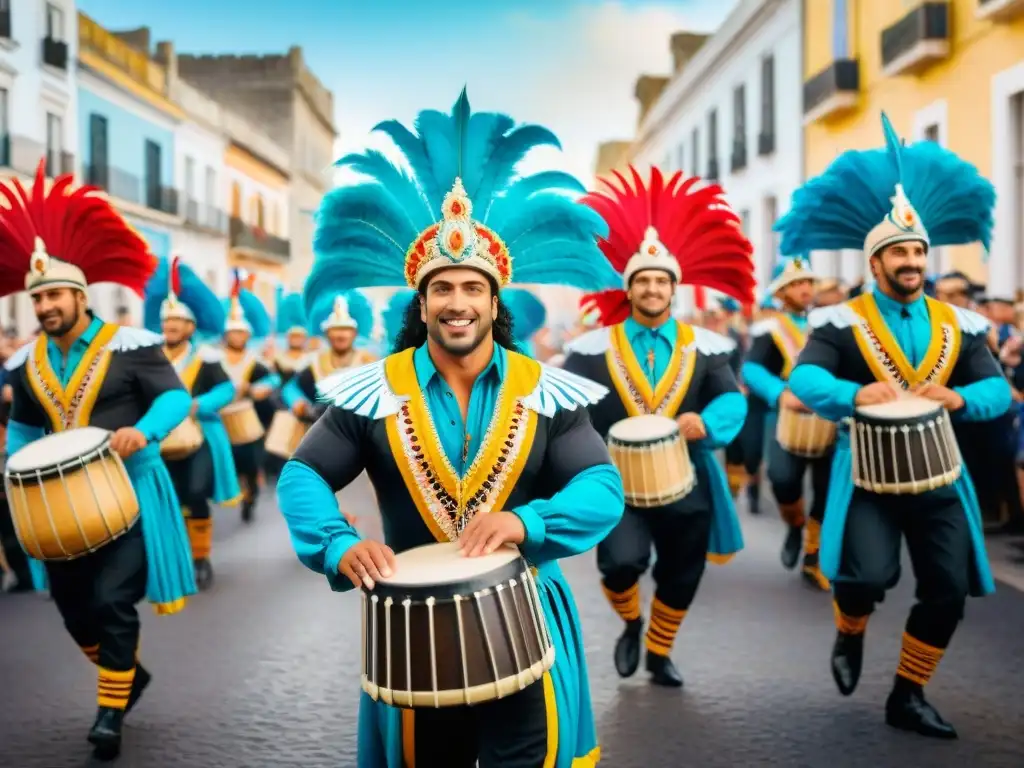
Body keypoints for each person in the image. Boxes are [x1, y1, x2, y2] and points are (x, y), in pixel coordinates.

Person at [277, 88, 625, 767]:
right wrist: (337, 545)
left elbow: (602, 487)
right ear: (423, 301)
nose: (458, 302)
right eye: (443, 288)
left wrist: (529, 522)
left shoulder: (547, 393)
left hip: (526, 614)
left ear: (496, 304)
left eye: (473, 288)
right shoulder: (372, 392)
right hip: (412, 632)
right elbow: (303, 474)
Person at [779, 113, 1009, 738]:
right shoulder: (837, 322)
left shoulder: (960, 324)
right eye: (897, 253)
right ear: (874, 263)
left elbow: (996, 387)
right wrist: (855, 392)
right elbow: (803, 380)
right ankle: (849, 630)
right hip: (869, 480)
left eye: (917, 252)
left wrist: (961, 400)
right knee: (864, 579)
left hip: (940, 479)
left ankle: (907, 694)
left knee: (947, 590)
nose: (910, 262)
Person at [0, 163, 195, 758]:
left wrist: (144, 430)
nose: (46, 305)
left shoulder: (131, 347)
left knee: (112, 600)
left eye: (55, 294)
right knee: (72, 609)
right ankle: (128, 677)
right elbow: (25, 426)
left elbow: (175, 395)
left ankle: (109, 712)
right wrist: (12, 469)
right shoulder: (24, 364)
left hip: (128, 493)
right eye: (38, 298)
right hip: (58, 507)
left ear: (80, 297)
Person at [563, 166, 755, 688]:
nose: (651, 288)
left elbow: (730, 402)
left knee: (683, 571)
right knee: (620, 565)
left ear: (674, 289)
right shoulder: (589, 350)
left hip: (686, 478)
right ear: (629, 289)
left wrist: (706, 423)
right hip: (616, 482)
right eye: (642, 280)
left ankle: (659, 649)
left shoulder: (708, 348)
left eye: (660, 281)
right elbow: (564, 410)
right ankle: (630, 623)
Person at [144, 257, 242, 590]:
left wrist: (199, 404)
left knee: (196, 493)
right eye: (166, 323)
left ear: (189, 328)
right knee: (168, 498)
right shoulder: (150, 358)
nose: (170, 328)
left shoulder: (206, 358)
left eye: (176, 324)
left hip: (198, 438)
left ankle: (200, 557)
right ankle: (177, 556)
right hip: (159, 440)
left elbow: (226, 388)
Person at [742, 255, 833, 591]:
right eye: (796, 284)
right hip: (787, 416)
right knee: (782, 480)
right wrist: (780, 394)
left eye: (808, 282)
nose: (804, 288)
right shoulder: (769, 329)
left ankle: (813, 555)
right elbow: (752, 369)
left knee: (825, 489)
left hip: (826, 415)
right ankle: (795, 525)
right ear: (782, 293)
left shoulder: (828, 324)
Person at [220, 273, 277, 523]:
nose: (237, 338)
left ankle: (250, 493)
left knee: (249, 462)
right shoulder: (213, 358)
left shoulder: (255, 359)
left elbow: (273, 379)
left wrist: (258, 388)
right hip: (219, 419)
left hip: (248, 419)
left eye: (241, 334)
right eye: (233, 334)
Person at [280, 292, 377, 422]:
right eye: (336, 330)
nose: (341, 335)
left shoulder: (368, 362)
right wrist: (298, 401)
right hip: (324, 427)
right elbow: (291, 387)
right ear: (327, 334)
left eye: (345, 330)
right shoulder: (316, 363)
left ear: (354, 334)